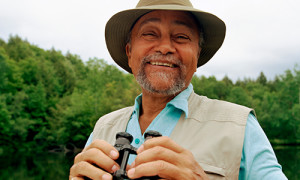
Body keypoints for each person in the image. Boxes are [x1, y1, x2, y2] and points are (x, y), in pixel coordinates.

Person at [69, 0, 287, 179]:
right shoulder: (103, 127)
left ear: (198, 54)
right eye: (150, 34)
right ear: (129, 52)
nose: (165, 47)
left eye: (181, 37)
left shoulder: (240, 126)